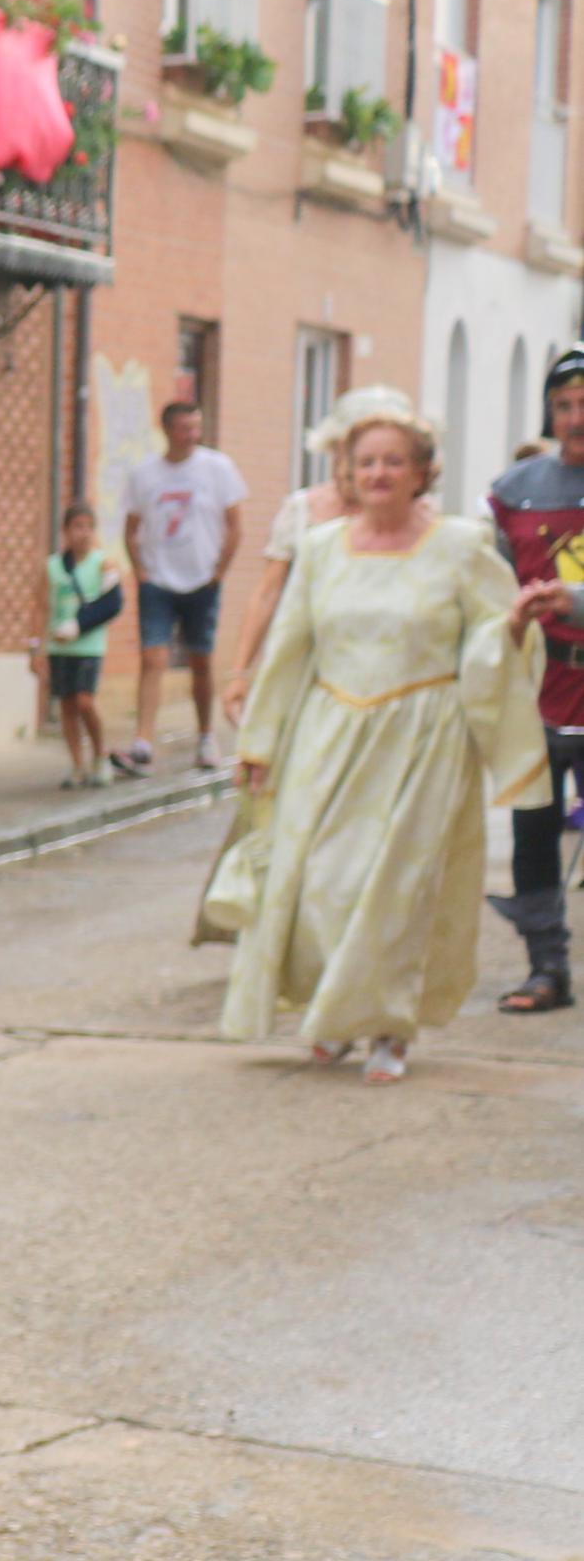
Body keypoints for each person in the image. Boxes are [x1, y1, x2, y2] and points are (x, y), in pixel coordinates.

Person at [204, 404, 546, 1080]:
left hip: (424, 741)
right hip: (329, 736)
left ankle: (388, 1026)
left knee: (397, 891)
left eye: (394, 460)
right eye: (366, 462)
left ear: (421, 471)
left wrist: (507, 628)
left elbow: (485, 637)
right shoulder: (321, 547)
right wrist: (260, 741)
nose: (378, 472)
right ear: (347, 473)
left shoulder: (460, 544)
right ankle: (334, 1008)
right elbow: (290, 648)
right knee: (322, 886)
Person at [478, 346, 584, 1013]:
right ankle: (546, 967)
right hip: (539, 695)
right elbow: (488, 589)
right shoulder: (513, 490)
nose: (575, 417)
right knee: (532, 837)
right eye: (563, 405)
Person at [228, 384, 421, 688]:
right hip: (312, 667)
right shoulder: (302, 510)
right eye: (358, 453)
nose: (374, 469)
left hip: (392, 668)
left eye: (390, 458)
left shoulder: (421, 520)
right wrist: (239, 671)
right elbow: (269, 591)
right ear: (334, 449)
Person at [121, 394, 250, 774]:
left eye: (197, 427)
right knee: (152, 657)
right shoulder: (145, 474)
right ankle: (143, 740)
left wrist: (220, 571)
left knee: (200, 659)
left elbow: (236, 524)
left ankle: (206, 735)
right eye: (185, 428)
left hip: (202, 578)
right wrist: (140, 571)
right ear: (167, 431)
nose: (193, 435)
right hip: (159, 579)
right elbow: (131, 528)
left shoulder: (217, 467)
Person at [45, 500, 118, 786]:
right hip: (59, 645)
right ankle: (77, 764)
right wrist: (36, 645)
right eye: (77, 527)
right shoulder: (53, 567)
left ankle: (100, 754)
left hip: (90, 645)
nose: (83, 533)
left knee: (85, 701)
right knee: (66, 705)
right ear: (65, 531)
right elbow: (40, 606)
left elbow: (112, 601)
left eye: (89, 527)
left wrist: (78, 626)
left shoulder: (103, 563)